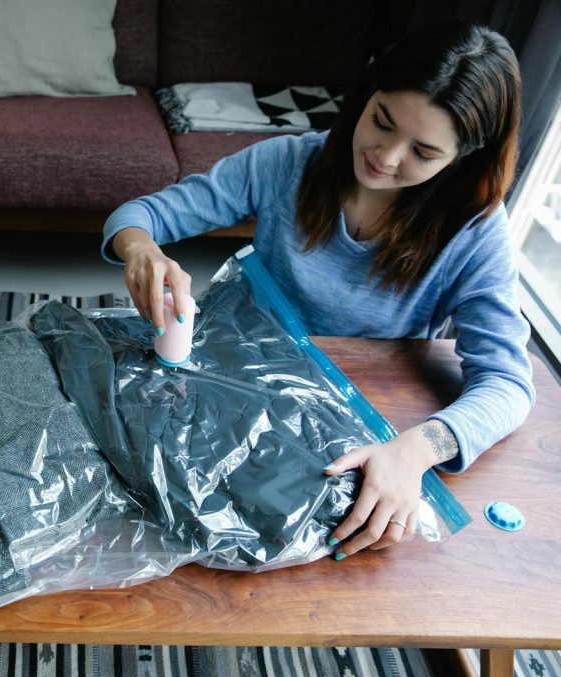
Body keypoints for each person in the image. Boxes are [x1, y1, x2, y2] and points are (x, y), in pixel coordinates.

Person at [100, 21, 535, 559]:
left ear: (464, 156)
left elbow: (508, 384)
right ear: (366, 95)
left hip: (352, 417)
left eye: (423, 152)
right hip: (233, 379)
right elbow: (139, 215)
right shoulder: (288, 162)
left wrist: (420, 448)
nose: (386, 157)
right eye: (381, 121)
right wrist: (141, 249)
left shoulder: (475, 231)